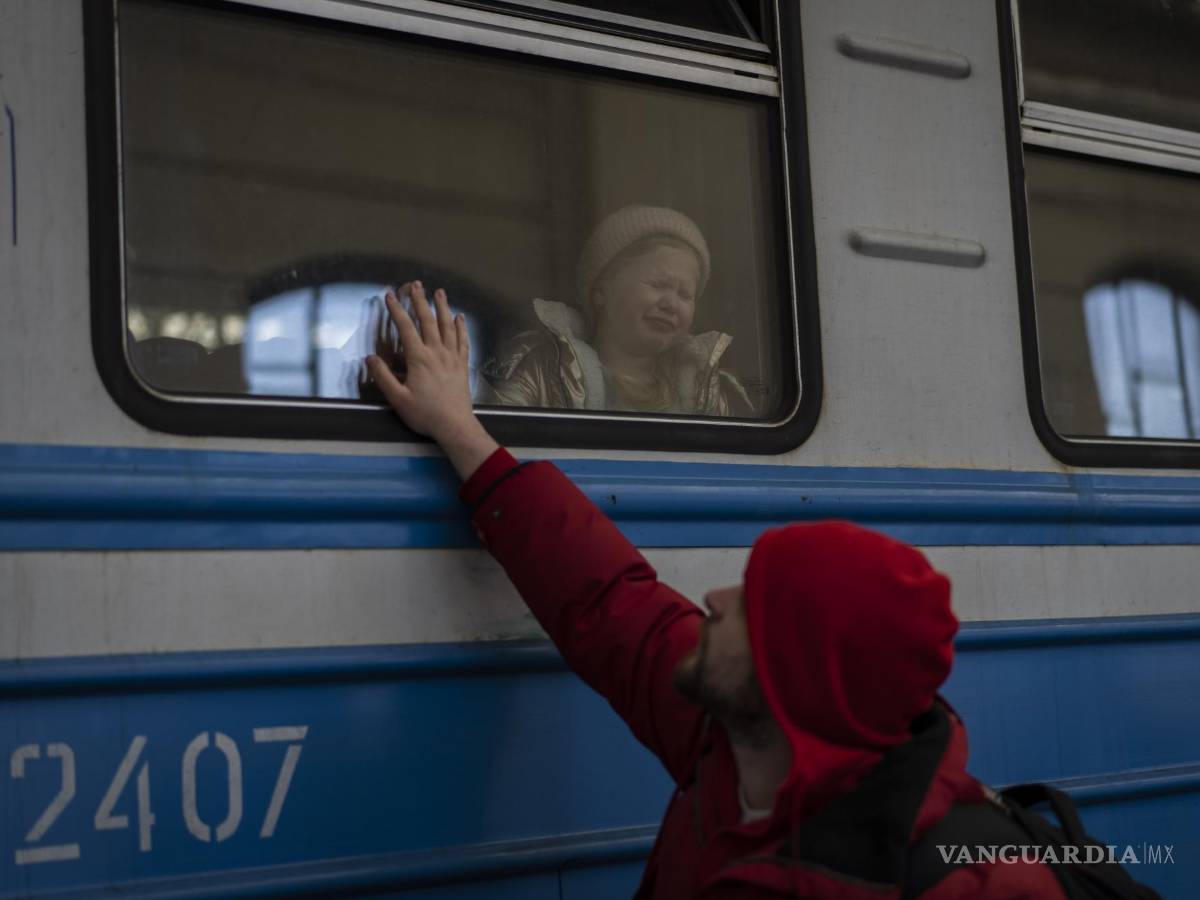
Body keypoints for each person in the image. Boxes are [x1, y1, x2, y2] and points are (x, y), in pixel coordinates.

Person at [365, 283, 1067, 898]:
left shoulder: (976, 885)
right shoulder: (734, 741)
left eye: (754, 606)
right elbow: (607, 597)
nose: (715, 602)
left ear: (796, 675)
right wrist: (459, 427)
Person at [480, 205, 755, 416]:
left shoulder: (704, 388)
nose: (671, 303)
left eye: (686, 295)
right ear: (602, 290)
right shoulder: (545, 370)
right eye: (659, 284)